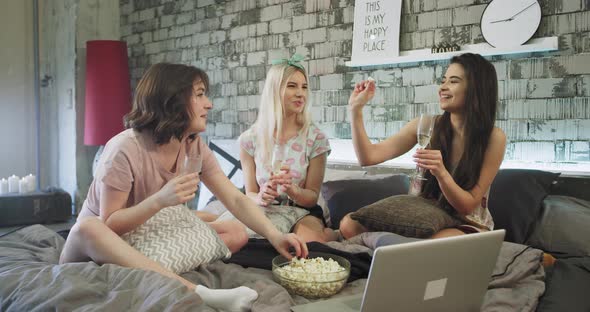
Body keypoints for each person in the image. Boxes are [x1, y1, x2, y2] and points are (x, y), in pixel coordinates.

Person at [59, 63, 308, 312]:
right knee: (87, 227)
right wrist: (160, 200)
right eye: (200, 94)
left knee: (235, 231)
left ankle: (145, 266)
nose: (209, 103)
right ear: (172, 100)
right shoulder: (124, 149)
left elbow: (235, 199)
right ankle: (200, 293)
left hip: (143, 236)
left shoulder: (193, 145)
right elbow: (111, 223)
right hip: (97, 248)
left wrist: (276, 236)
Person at [340, 53, 506, 242]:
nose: (442, 87)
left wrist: (441, 173)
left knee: (439, 242)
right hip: (419, 216)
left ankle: (397, 248)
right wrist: (355, 110)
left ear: (476, 88)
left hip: (465, 223)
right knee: (348, 224)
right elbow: (368, 157)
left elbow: (467, 206)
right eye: (443, 80)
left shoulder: (494, 138)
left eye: (453, 81)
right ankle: (401, 248)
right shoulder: (425, 125)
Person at [237, 54, 337, 243]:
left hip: (303, 210)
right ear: (274, 91)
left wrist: (292, 190)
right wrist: (260, 196)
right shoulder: (249, 140)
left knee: (310, 245)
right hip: (265, 209)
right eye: (292, 86)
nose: (301, 93)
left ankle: (333, 234)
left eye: (304, 87)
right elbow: (249, 193)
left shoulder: (316, 139)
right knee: (234, 238)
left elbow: (312, 197)